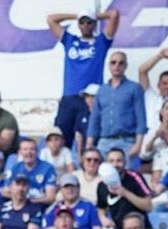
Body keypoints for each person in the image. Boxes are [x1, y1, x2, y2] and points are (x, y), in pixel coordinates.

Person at [48, 10, 119, 143]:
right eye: (82, 22)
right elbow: (51, 19)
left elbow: (114, 14)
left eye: (89, 22)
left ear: (94, 24)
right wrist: (76, 15)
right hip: (69, 96)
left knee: (90, 138)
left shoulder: (101, 42)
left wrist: (94, 15)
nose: (85, 25)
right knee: (62, 137)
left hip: (90, 98)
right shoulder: (69, 40)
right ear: (78, 24)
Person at [88, 52, 145, 155]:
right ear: (109, 65)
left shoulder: (134, 88)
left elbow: (141, 117)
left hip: (127, 142)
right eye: (113, 63)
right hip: (104, 142)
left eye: (121, 63)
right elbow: (94, 118)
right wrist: (89, 143)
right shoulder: (101, 90)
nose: (117, 66)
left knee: (127, 171)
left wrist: (138, 144)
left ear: (125, 66)